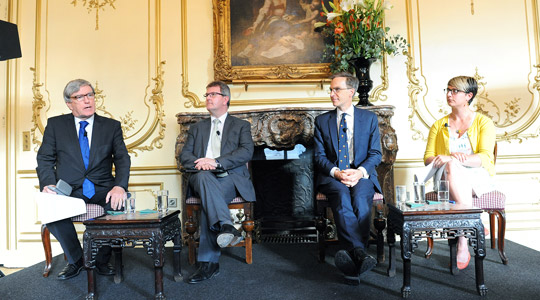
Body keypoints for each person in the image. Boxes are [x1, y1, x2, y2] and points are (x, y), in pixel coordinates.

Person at [36, 79, 131, 280]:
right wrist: (48, 184)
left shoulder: (111, 126)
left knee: (117, 206)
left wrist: (120, 186)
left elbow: (122, 158)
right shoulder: (55, 125)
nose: (87, 100)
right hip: (69, 190)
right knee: (50, 208)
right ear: (69, 103)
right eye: (80, 97)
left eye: (90, 95)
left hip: (102, 188)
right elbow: (45, 158)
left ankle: (101, 261)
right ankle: (77, 260)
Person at [179, 81, 256, 284]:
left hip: (229, 178)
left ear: (225, 99)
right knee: (205, 180)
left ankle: (209, 264)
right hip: (200, 175)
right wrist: (202, 164)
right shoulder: (197, 128)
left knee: (208, 199)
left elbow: (246, 152)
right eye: (206, 95)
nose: (208, 98)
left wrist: (216, 162)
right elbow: (184, 155)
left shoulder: (241, 126)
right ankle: (227, 227)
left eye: (212, 94)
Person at [313, 72, 382, 285]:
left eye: (337, 89)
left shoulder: (369, 118)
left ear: (351, 92)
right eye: (331, 90)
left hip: (361, 174)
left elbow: (376, 153)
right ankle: (360, 252)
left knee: (361, 202)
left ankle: (353, 259)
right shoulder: (322, 121)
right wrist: (337, 172)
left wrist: (360, 172)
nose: (332, 93)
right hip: (333, 175)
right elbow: (319, 156)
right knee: (342, 199)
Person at [423, 75, 495, 270]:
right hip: (445, 175)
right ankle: (474, 220)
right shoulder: (439, 125)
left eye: (455, 91)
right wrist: (444, 160)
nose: (449, 94)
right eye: (447, 89)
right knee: (452, 168)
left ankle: (463, 240)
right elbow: (428, 157)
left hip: (476, 175)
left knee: (453, 165)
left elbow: (486, 158)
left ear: (468, 95)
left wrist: (455, 159)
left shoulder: (484, 122)